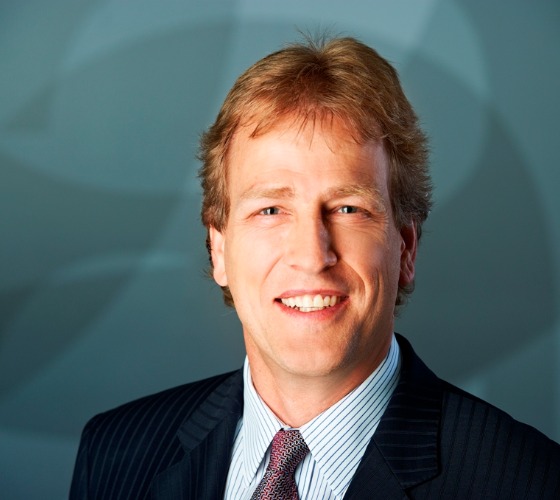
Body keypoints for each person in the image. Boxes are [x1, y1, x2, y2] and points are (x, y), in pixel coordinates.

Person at [70, 36, 560, 499]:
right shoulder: (115, 454)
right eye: (270, 210)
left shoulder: (529, 482)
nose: (311, 255)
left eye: (349, 208)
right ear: (218, 249)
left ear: (406, 248)